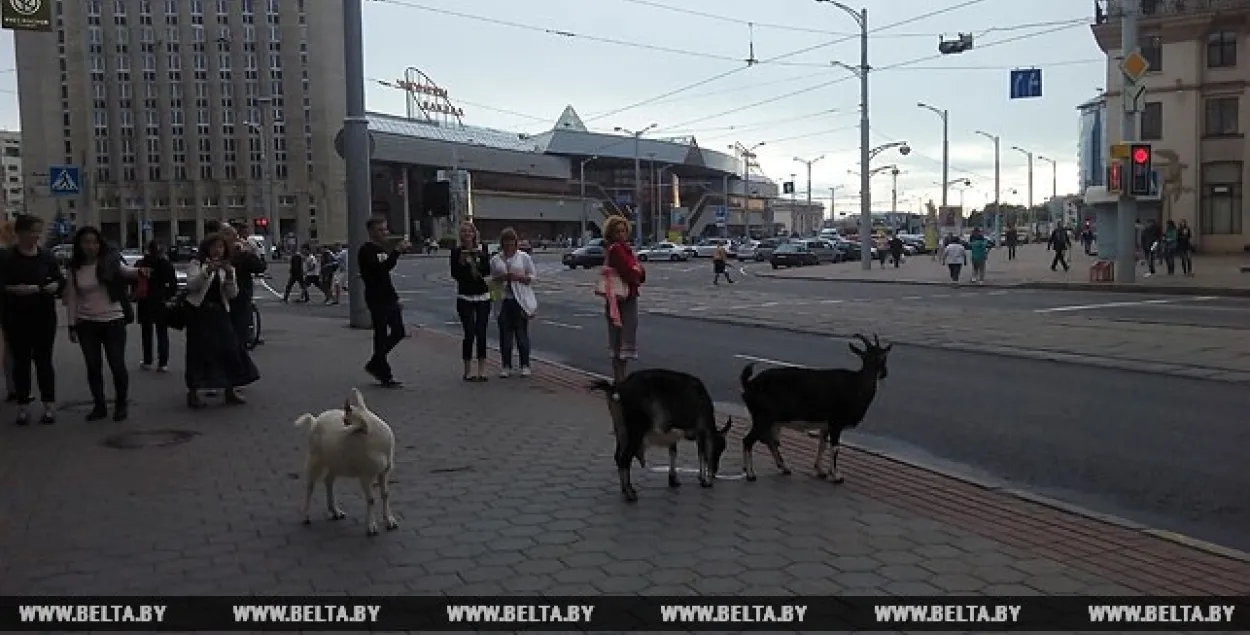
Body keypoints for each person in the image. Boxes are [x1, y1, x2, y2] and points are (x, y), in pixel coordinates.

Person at [64, 227, 145, 422]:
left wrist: (142, 270)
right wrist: (71, 325)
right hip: (87, 323)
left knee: (117, 364)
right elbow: (72, 298)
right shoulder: (75, 268)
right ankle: (99, 405)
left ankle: (121, 404)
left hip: (113, 321)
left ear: (100, 244)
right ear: (79, 245)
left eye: (94, 242)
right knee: (93, 366)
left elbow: (128, 272)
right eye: (86, 242)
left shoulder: (110, 261)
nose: (90, 246)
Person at [0, 215, 65, 425]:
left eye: (39, 231)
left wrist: (55, 286)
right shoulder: (7, 257)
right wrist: (15, 289)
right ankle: (23, 406)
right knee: (21, 363)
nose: (36, 235)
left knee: (44, 361)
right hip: (16, 317)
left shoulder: (46, 256)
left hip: (44, 316)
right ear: (20, 233)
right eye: (32, 231)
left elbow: (60, 279)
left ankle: (49, 406)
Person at [183, 233, 260, 408]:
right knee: (198, 353)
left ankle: (230, 389)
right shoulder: (197, 264)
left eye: (221, 247)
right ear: (207, 248)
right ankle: (194, 391)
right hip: (200, 313)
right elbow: (192, 285)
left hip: (220, 313)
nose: (218, 250)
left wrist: (230, 277)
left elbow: (232, 294)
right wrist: (207, 271)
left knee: (230, 350)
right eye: (214, 247)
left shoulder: (228, 267)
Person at [358, 216, 409, 386]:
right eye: (380, 230)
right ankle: (383, 371)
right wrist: (396, 252)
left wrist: (395, 297)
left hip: (388, 296)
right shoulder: (366, 251)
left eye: (385, 229)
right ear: (371, 231)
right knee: (380, 334)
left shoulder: (381, 249)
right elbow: (380, 271)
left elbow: (386, 275)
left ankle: (376, 362)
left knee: (398, 331)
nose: (384, 233)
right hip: (376, 298)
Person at [602, 215, 644, 382]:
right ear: (611, 233)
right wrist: (638, 271)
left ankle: (620, 379)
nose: (622, 234)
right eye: (618, 231)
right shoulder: (617, 249)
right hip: (622, 300)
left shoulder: (622, 248)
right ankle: (620, 380)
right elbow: (630, 271)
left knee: (620, 341)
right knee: (621, 341)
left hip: (621, 298)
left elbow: (637, 271)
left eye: (624, 230)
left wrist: (638, 271)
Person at [490, 228, 537, 378]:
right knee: (505, 335)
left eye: (512, 242)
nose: (509, 245)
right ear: (502, 243)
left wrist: (518, 277)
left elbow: (532, 276)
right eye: (506, 243)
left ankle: (525, 364)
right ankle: (506, 365)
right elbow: (492, 280)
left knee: (521, 333)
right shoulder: (496, 259)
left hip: (520, 299)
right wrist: (502, 278)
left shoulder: (523, 257)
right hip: (504, 300)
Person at [449, 221, 492, 382]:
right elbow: (455, 274)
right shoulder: (456, 252)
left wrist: (479, 259)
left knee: (481, 332)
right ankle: (467, 370)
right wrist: (463, 263)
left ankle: (482, 370)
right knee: (469, 332)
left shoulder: (483, 249)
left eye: (470, 232)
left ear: (475, 234)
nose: (467, 234)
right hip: (465, 296)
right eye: (464, 232)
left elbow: (488, 270)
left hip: (482, 296)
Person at [135, 240, 178, 372]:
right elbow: (173, 284)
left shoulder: (142, 263)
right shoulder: (166, 264)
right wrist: (169, 297)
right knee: (162, 332)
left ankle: (148, 360)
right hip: (161, 300)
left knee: (146, 332)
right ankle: (163, 363)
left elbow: (134, 280)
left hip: (145, 300)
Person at [222, 224, 267, 346]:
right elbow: (259, 267)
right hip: (240, 293)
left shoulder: (216, 252)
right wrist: (258, 254)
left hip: (222, 296)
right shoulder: (241, 253)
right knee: (241, 322)